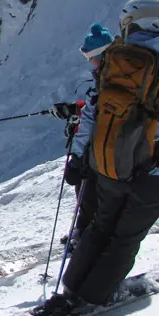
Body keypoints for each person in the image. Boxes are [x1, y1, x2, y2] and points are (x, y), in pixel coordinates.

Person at [34, 0, 159, 316]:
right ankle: (93, 297)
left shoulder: (113, 60)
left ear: (129, 24)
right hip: (154, 174)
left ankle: (71, 289)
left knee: (100, 227)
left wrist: (80, 159)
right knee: (124, 237)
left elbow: (92, 115)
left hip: (106, 166)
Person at [49, 22, 116, 247]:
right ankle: (86, 229)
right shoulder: (115, 75)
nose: (90, 62)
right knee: (89, 191)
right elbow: (96, 109)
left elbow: (94, 116)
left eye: (91, 57)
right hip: (112, 148)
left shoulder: (111, 78)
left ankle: (87, 234)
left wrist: (77, 157)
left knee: (88, 190)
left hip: (103, 149)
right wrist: (75, 109)